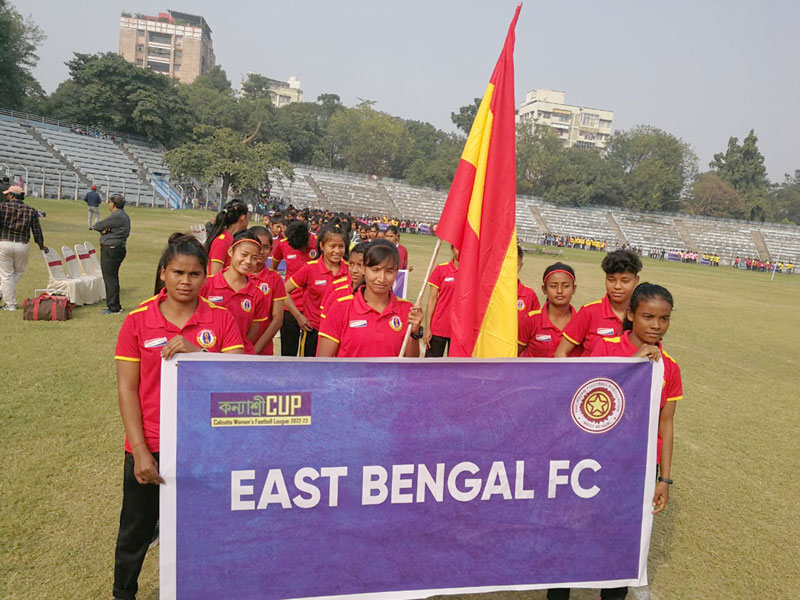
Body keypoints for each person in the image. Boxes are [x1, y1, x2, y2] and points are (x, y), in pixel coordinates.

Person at [112, 234, 244, 600]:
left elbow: (236, 376)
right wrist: (139, 449)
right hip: (150, 444)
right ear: (163, 273)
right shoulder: (138, 320)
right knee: (135, 533)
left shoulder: (220, 319)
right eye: (178, 272)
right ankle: (123, 594)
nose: (186, 281)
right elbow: (127, 389)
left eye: (195, 274)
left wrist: (197, 352)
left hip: (203, 445)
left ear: (206, 276)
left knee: (202, 528)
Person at [549, 284, 682, 600]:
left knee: (619, 543)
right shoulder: (607, 349)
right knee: (572, 533)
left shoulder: (671, 367)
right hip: (592, 461)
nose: (656, 325)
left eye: (664, 319)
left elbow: (667, 424)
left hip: (635, 470)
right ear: (632, 315)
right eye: (648, 316)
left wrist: (663, 479)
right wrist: (633, 365)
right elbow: (589, 397)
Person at [317, 241, 423, 357]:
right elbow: (323, 362)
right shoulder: (341, 307)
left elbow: (410, 364)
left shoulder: (407, 310)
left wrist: (414, 334)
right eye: (375, 270)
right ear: (363, 269)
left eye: (389, 271)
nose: (381, 279)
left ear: (397, 272)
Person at [554, 249, 642, 357]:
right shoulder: (589, 312)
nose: (617, 286)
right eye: (611, 280)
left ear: (636, 280)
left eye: (625, 281)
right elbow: (561, 352)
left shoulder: (643, 314)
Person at [201, 230, 270, 354]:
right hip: (208, 354)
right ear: (230, 252)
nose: (248, 261)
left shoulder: (257, 294)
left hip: (239, 357)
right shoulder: (207, 284)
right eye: (243, 254)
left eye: (254, 257)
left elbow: (252, 333)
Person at [284, 224, 348, 357]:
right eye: (332, 246)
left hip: (341, 334)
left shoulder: (350, 270)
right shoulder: (310, 269)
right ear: (321, 246)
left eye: (341, 246)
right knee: (308, 373)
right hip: (314, 331)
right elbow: (283, 292)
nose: (337, 251)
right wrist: (298, 316)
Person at [272, 220, 319, 356]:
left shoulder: (317, 242)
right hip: (290, 306)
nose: (303, 251)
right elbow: (273, 267)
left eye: (305, 248)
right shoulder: (282, 245)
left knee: (310, 354)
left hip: (312, 308)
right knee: (288, 352)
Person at [0, 185, 48, 311]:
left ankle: (10, 304)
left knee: (6, 275)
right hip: (22, 245)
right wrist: (41, 245)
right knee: (18, 272)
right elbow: (37, 231)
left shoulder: (2, 207)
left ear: (11, 195)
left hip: (5, 243)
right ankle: (4, 292)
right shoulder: (31, 210)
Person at [518, 262, 579, 358]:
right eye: (553, 286)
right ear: (544, 289)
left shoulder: (582, 321)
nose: (559, 291)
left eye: (566, 286)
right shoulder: (531, 320)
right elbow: (513, 355)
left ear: (574, 289)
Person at [249, 226, 287, 355]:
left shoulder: (274, 278)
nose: (261, 251)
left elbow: (277, 320)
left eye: (266, 247)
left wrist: (255, 350)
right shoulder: (236, 275)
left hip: (262, 351)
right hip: (232, 349)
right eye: (257, 245)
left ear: (271, 250)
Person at [92, 194, 131, 314]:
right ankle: (113, 305)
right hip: (116, 248)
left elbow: (98, 226)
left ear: (113, 204)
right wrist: (107, 230)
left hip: (111, 249)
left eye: (109, 202)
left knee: (110, 278)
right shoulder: (123, 216)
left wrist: (105, 230)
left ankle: (114, 307)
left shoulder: (117, 216)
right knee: (112, 277)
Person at [423, 245, 459, 357]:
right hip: (438, 328)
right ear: (452, 249)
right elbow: (432, 299)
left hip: (459, 331)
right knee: (430, 368)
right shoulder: (441, 269)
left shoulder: (472, 273)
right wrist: (428, 327)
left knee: (456, 369)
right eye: (458, 248)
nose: (461, 251)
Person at [204, 200, 249, 276]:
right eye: (248, 217)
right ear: (243, 218)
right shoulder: (222, 241)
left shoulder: (234, 239)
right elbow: (215, 274)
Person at [517, 244, 540, 314]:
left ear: (520, 266)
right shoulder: (491, 292)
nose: (510, 268)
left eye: (514, 264)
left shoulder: (529, 295)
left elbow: (537, 321)